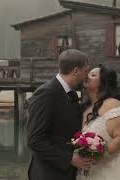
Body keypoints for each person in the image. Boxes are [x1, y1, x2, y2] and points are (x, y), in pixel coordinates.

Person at [27, 49, 94, 180]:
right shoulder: (45, 94)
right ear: (75, 71)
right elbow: (35, 141)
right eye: (85, 71)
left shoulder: (72, 93)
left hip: (66, 172)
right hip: (48, 173)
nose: (87, 76)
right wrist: (69, 158)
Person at [77, 64, 120, 180]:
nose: (87, 77)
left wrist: (98, 155)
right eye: (88, 74)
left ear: (104, 82)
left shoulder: (113, 104)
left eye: (93, 75)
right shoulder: (85, 108)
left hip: (113, 169)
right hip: (88, 170)